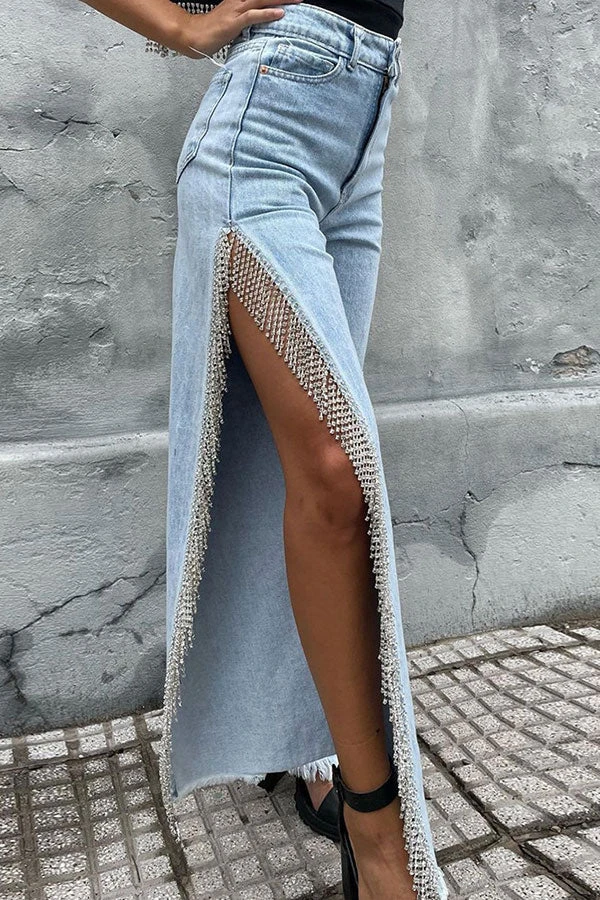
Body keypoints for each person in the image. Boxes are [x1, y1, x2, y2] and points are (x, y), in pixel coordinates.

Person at [80, 1, 448, 897]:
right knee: (334, 474)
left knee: (299, 476)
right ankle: (381, 846)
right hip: (269, 124)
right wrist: (176, 25)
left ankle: (316, 749)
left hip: (366, 127)